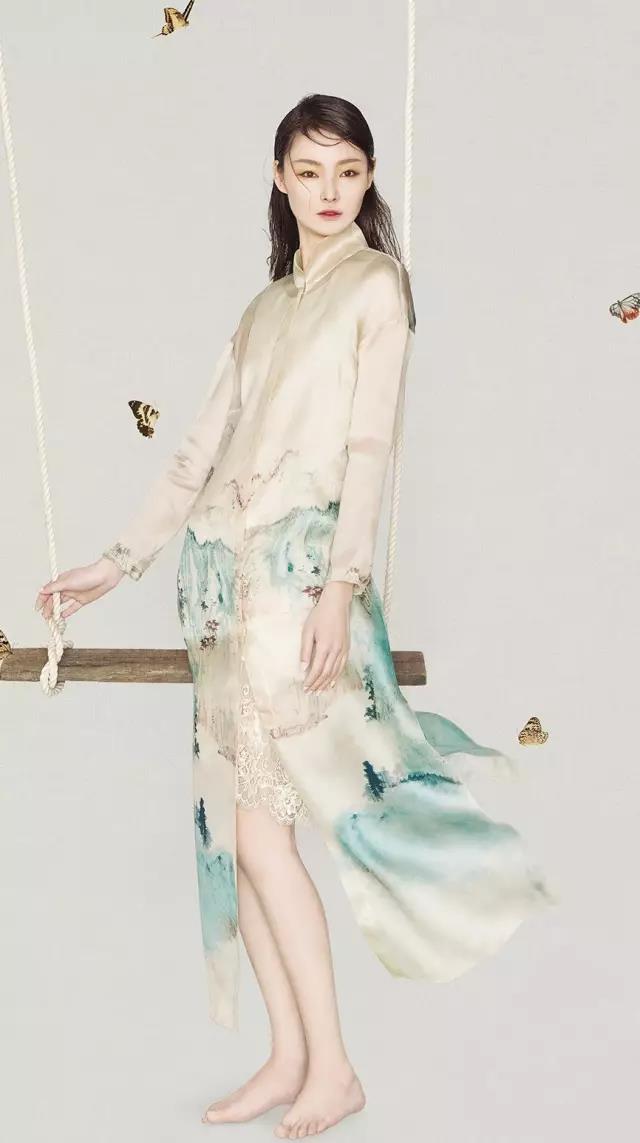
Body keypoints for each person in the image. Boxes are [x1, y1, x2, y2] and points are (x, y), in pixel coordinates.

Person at [35, 94, 557, 1139]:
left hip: (296, 581)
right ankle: (288, 1056)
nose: (329, 191)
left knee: (266, 835)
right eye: (309, 171)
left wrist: (341, 588)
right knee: (238, 836)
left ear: (369, 180)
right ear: (277, 177)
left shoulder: (377, 286)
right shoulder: (265, 306)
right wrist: (116, 563)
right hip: (216, 585)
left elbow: (369, 447)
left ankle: (336, 1068)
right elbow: (198, 449)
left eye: (348, 171)